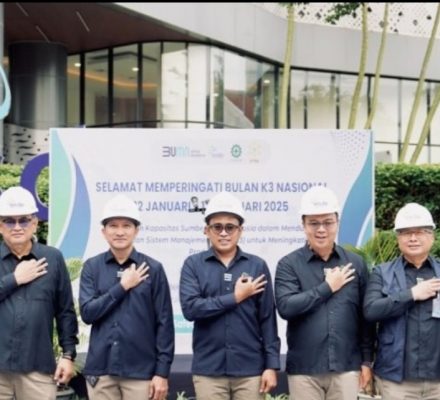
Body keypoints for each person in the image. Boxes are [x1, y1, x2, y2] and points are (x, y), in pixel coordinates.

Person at [274, 186, 374, 400]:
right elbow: (286, 307)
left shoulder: (355, 263)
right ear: (303, 225)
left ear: (337, 222)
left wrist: (367, 361)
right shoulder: (289, 264)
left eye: (328, 222)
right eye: (314, 223)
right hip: (304, 370)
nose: (321, 229)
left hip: (347, 367)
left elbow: (365, 317)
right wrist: (327, 288)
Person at [179, 191, 280, 400]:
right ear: (206, 230)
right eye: (217, 227)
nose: (224, 233)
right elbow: (191, 309)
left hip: (250, 370)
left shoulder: (257, 265)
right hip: (209, 371)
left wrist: (271, 365)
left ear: (240, 230)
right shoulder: (193, 265)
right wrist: (235, 298)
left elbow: (267, 319)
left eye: (230, 227)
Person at [79, 194, 174, 400]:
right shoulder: (92, 267)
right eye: (113, 226)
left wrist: (162, 373)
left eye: (126, 226)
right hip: (101, 371)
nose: (120, 232)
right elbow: (87, 313)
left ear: (136, 230)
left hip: (141, 373)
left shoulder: (152, 269)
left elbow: (164, 323)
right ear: (104, 231)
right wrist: (122, 287)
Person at [0, 186, 78, 400]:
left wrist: (68, 355)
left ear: (35, 223)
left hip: (37, 369)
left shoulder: (52, 259)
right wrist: (14, 279)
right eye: (9, 221)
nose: (17, 227)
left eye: (24, 220)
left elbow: (65, 311)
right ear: (0, 225)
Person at [363, 203, 440, 400]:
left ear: (431, 236)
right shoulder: (382, 273)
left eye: (419, 232)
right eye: (406, 233)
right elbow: (371, 310)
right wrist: (411, 294)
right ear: (398, 238)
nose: (413, 238)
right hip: (396, 381)